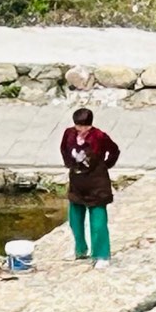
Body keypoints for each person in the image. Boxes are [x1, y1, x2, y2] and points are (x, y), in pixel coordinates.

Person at [59, 107, 120, 266]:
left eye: (84, 126)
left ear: (90, 125)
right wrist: (69, 165)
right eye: (78, 125)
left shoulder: (99, 136)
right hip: (77, 182)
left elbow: (114, 151)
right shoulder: (69, 133)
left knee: (98, 222)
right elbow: (64, 148)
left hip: (96, 183)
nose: (81, 129)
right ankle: (80, 249)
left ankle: (101, 255)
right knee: (75, 219)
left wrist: (105, 165)